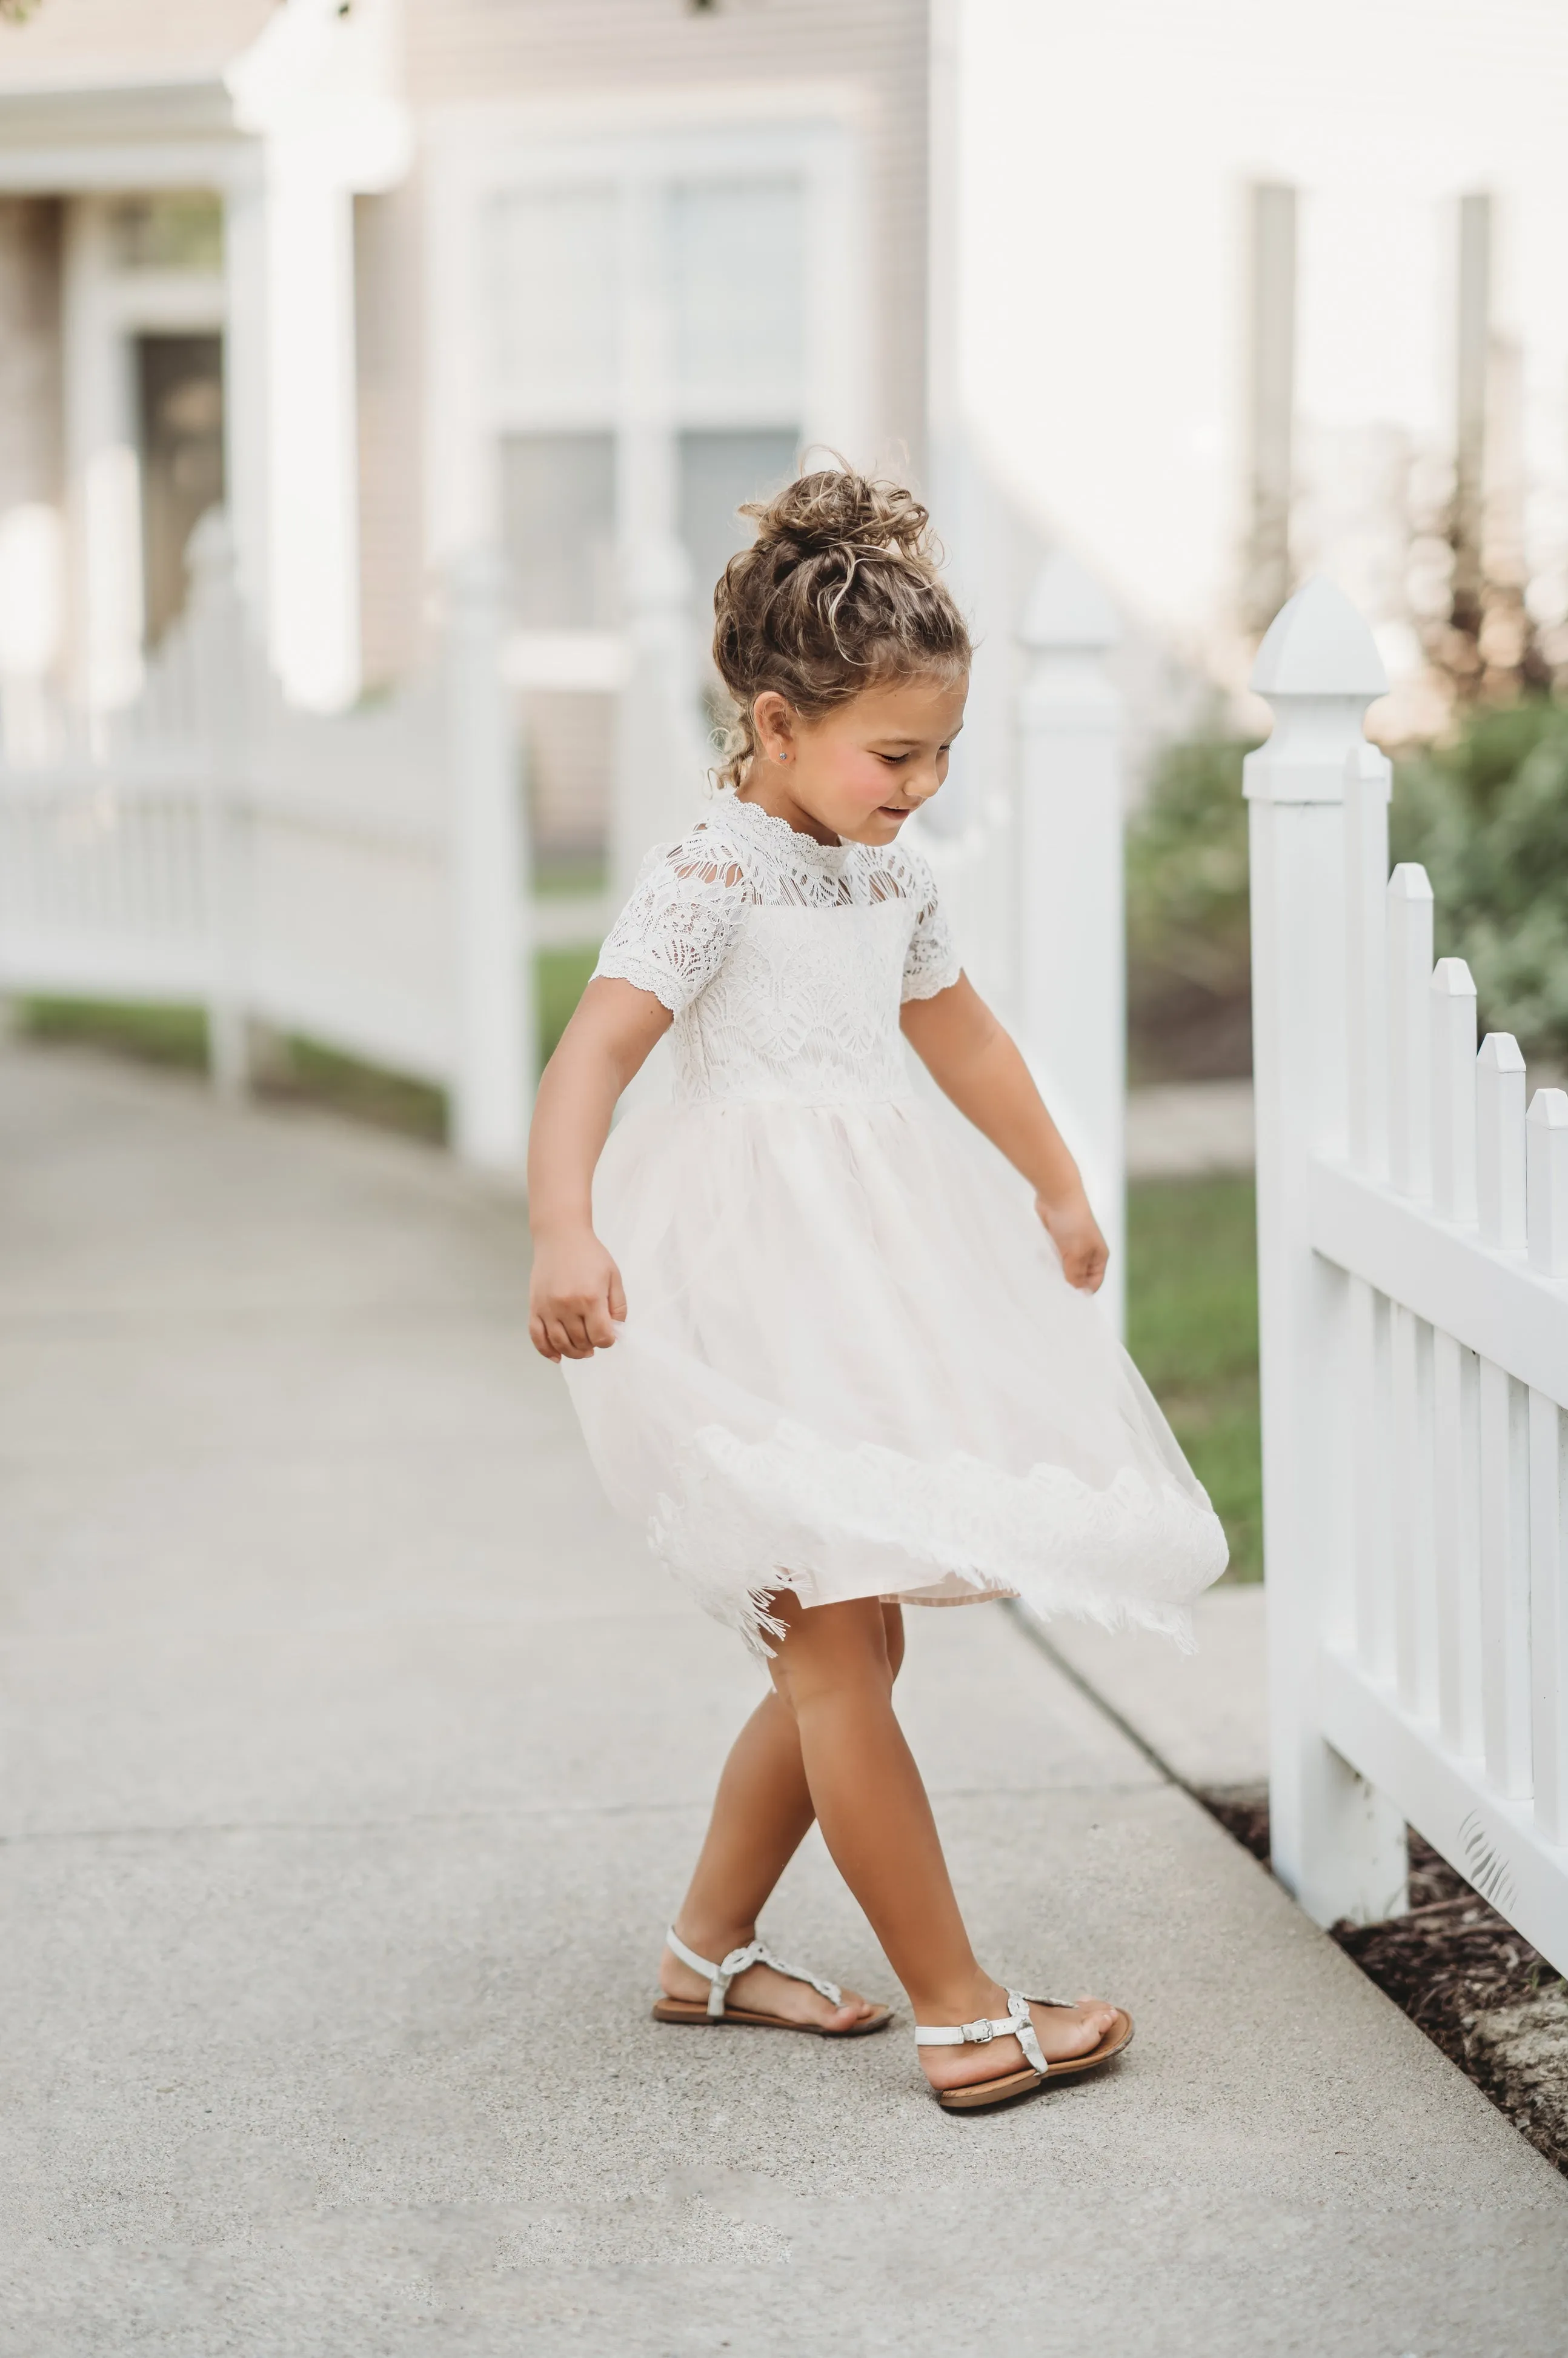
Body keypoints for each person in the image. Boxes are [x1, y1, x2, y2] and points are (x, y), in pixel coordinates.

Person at [526, 467, 1227, 2111]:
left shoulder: (882, 880)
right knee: (835, 1651)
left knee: (838, 1648)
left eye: (939, 756)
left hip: (863, 1283)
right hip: (737, 1290)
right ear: (772, 723)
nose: (918, 787)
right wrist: (566, 1226)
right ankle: (963, 2013)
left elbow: (960, 1034)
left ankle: (703, 1954)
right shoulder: (714, 873)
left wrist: (1053, 1178)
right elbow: (593, 1053)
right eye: (892, 755)